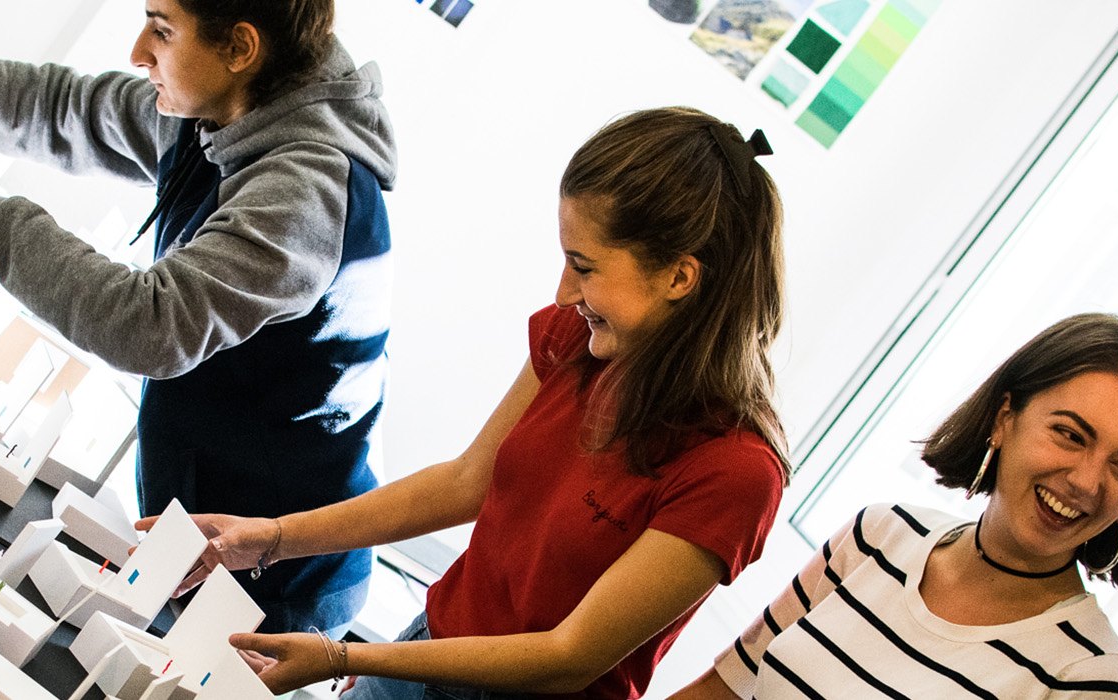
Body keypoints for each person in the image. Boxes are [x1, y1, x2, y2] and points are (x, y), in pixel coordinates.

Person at [0, 0, 396, 634]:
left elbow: (151, 325)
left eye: (161, 29)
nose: (137, 52)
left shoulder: (307, 190)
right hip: (194, 525)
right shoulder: (225, 104)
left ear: (239, 49)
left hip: (280, 573)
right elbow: (54, 108)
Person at [148, 107, 791, 698]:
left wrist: (348, 659)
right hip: (427, 647)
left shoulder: (734, 474)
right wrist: (267, 539)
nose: (564, 293)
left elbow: (568, 656)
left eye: (584, 267)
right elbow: (464, 482)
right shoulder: (579, 342)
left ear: (680, 276)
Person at [672, 313, 1118, 699]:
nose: (1086, 481)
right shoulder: (876, 537)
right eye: (1070, 434)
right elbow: (721, 692)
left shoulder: (1089, 677)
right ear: (1005, 419)